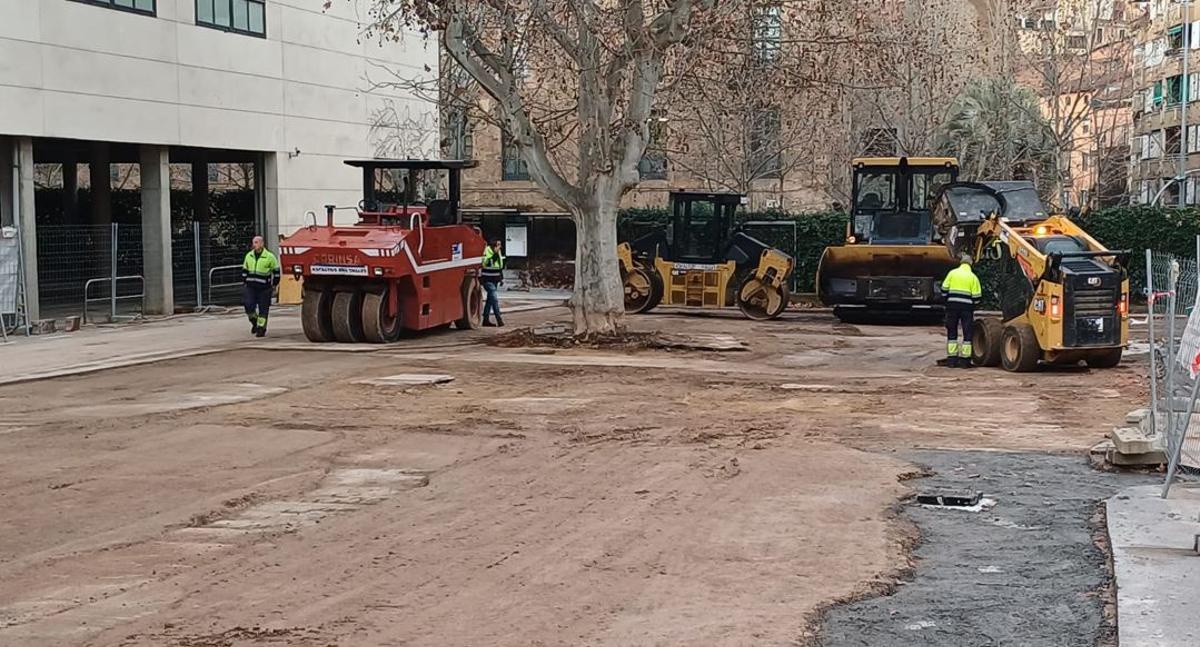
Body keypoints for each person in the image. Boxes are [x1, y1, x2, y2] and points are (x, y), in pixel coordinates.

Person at [940, 253, 982, 368]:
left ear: (961, 262)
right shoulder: (973, 277)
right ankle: (965, 361)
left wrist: (948, 299)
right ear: (970, 264)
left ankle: (952, 359)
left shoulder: (952, 273)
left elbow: (944, 289)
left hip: (952, 307)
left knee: (952, 331)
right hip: (966, 309)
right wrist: (973, 304)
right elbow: (977, 297)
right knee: (967, 333)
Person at [242, 235, 280, 337]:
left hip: (264, 288)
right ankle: (254, 321)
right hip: (250, 287)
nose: (254, 245)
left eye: (256, 242)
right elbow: (245, 270)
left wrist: (274, 284)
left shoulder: (270, 257)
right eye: (253, 242)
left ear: (262, 244)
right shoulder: (249, 256)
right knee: (248, 305)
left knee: (263, 309)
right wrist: (244, 281)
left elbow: (276, 271)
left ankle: (261, 328)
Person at [481, 239, 505, 327]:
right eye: (499, 245)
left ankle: (485, 319)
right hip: (487, 279)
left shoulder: (498, 252)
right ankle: (499, 319)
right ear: (494, 245)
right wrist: (495, 254)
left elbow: (499, 266)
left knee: (490, 300)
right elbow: (485, 263)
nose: (500, 247)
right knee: (494, 299)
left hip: (495, 279)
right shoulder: (486, 251)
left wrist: (501, 279)